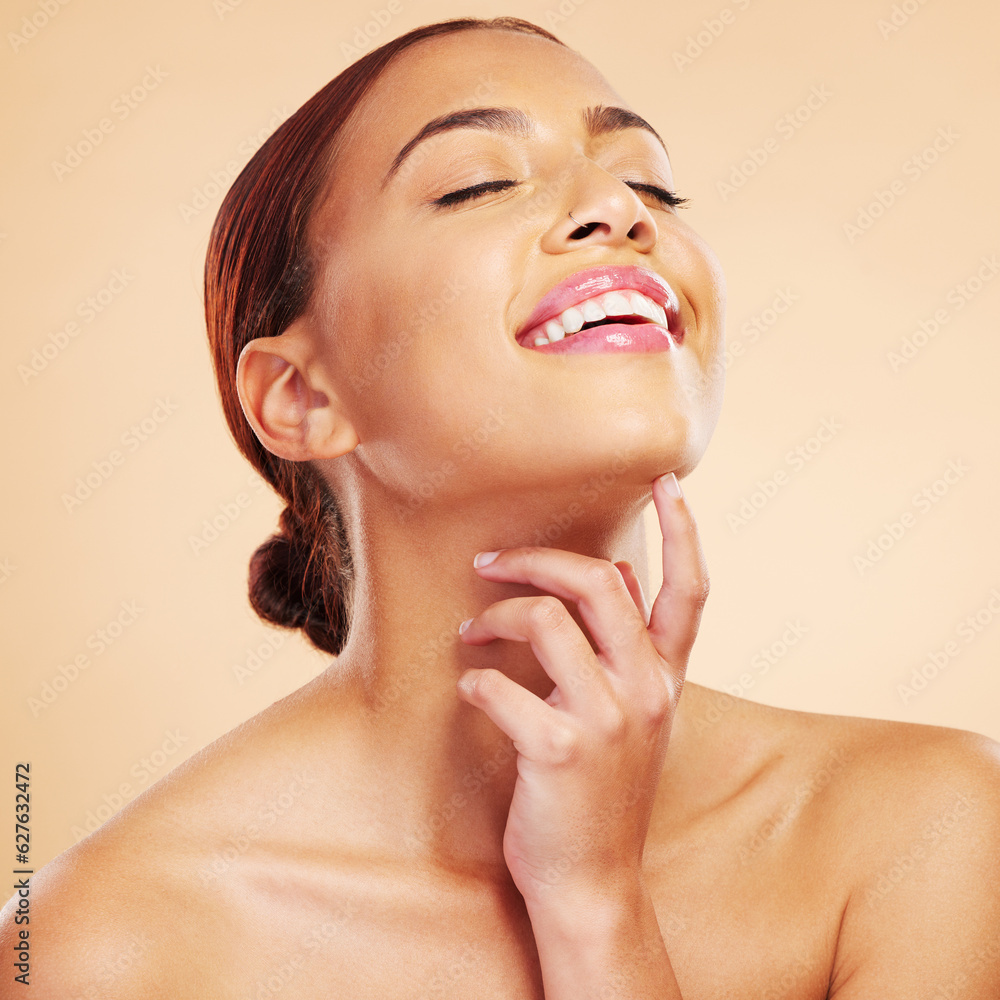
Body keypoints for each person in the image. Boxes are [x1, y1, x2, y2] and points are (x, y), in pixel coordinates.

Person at [3, 15, 999, 999]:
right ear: (303, 397)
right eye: (478, 182)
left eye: (648, 181)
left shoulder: (930, 830)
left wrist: (595, 906)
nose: (616, 205)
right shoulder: (101, 950)